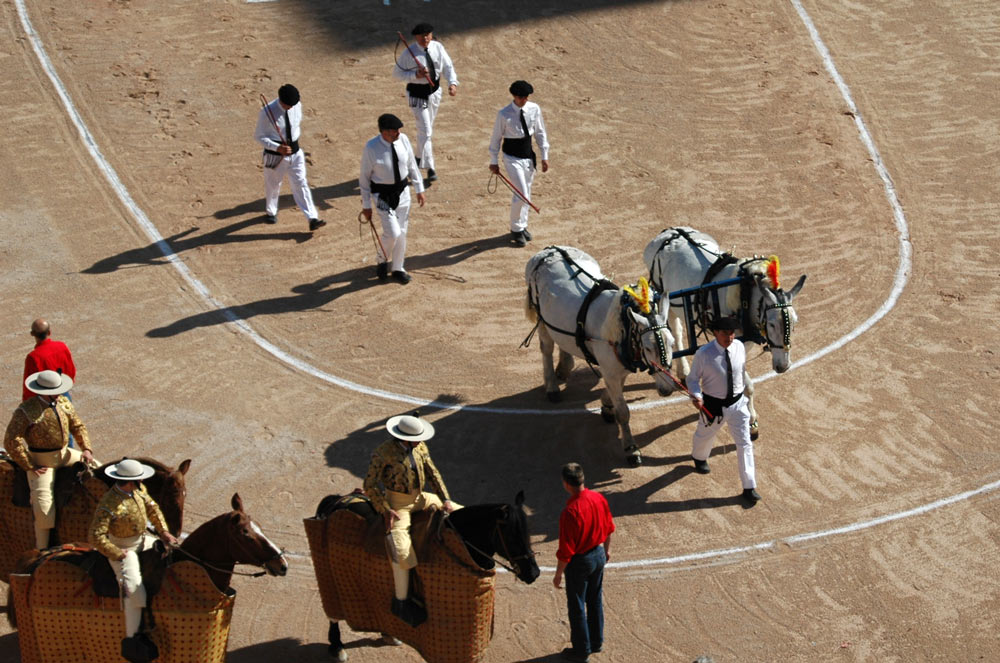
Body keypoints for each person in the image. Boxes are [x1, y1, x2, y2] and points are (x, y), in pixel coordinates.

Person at [363, 413, 458, 627]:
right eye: (417, 437)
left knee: (461, 513)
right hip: (398, 504)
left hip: (421, 497)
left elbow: (433, 474)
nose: (420, 440)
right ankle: (401, 601)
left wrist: (447, 500)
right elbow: (369, 485)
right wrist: (385, 510)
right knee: (402, 552)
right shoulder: (383, 453)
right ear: (404, 438)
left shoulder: (420, 447)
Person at [3, 370, 96, 549]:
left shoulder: (63, 402)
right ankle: (42, 551)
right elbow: (11, 439)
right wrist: (29, 465)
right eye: (56, 389)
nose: (60, 392)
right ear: (44, 391)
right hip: (42, 461)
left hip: (65, 454)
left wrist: (86, 449)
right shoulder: (26, 410)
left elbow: (78, 425)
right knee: (44, 510)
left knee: (98, 470)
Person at [89, 459, 179, 644]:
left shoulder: (138, 491)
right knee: (134, 591)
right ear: (131, 482)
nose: (142, 482)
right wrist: (117, 553)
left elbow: (153, 509)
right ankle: (133, 637)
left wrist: (164, 532)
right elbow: (95, 536)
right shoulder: (108, 503)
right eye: (139, 479)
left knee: (174, 554)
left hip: (143, 540)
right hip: (123, 549)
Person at [687, 316, 761, 504]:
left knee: (745, 443)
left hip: (738, 405)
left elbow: (741, 372)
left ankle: (749, 486)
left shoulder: (739, 347)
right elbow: (692, 379)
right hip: (713, 405)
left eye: (731, 333)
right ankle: (699, 457)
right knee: (704, 436)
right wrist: (697, 396)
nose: (729, 337)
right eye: (725, 333)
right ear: (715, 333)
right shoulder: (704, 354)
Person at [553, 462, 614, 663]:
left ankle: (582, 650)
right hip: (598, 554)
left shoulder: (570, 511)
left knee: (577, 605)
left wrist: (558, 573)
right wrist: (606, 551)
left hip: (580, 562)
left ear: (565, 484)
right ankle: (596, 642)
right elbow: (609, 527)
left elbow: (566, 551)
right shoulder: (598, 498)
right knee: (595, 599)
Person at [360, 113, 426, 285]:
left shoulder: (403, 140)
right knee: (393, 232)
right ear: (383, 132)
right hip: (382, 196)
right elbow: (364, 178)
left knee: (402, 232)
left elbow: (412, 165)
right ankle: (382, 259)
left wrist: (419, 189)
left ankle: (398, 267)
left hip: (403, 193)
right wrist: (366, 205)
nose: (397, 133)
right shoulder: (371, 148)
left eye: (398, 130)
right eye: (393, 131)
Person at [392, 23, 458, 185]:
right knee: (426, 130)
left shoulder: (437, 47)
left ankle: (418, 157)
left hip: (435, 93)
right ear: (416, 37)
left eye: (428, 35)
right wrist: (415, 74)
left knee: (426, 131)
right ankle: (430, 167)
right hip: (417, 96)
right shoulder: (409, 53)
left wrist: (452, 82)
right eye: (422, 36)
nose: (425, 38)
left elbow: (447, 66)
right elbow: (397, 74)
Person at [254, 83, 326, 232]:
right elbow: (259, 136)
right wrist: (277, 147)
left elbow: (295, 126)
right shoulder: (267, 112)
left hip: (296, 152)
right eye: (288, 105)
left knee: (301, 183)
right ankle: (271, 211)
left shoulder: (296, 105)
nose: (291, 108)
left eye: (293, 104)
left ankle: (312, 218)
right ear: (281, 100)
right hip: (276, 156)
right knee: (273, 185)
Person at [488, 80, 549, 247]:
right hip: (511, 158)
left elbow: (540, 133)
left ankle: (522, 226)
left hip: (528, 156)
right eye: (521, 97)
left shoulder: (534, 109)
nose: (524, 100)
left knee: (526, 191)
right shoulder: (504, 114)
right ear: (514, 96)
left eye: (526, 97)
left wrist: (545, 156)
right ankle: (515, 228)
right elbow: (496, 139)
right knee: (522, 193)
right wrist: (494, 161)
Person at [22, 319, 76, 402]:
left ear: (32, 334)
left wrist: (27, 404)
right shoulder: (62, 346)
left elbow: (29, 387)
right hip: (63, 394)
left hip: (45, 399)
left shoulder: (33, 357)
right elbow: (71, 371)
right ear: (49, 332)